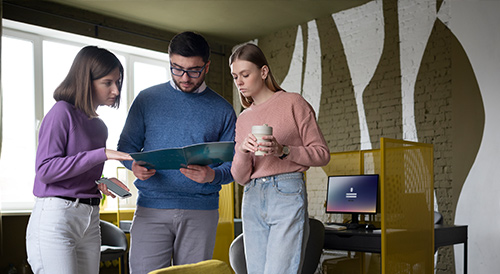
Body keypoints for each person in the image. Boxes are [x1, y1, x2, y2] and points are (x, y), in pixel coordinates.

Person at [117, 31, 236, 273]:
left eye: (194, 70)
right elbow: (126, 147)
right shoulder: (146, 99)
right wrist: (134, 166)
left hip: (201, 211)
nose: (184, 77)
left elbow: (235, 165)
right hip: (151, 207)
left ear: (207, 66)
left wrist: (212, 176)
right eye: (176, 68)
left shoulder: (223, 110)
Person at [26, 45, 133, 274]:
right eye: (108, 82)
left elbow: (78, 168)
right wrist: (102, 154)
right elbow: (45, 170)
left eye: (118, 82)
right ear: (87, 81)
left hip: (90, 219)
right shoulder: (61, 112)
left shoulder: (99, 126)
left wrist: (101, 181)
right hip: (57, 218)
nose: (116, 90)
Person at [229, 43, 330, 274]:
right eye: (235, 77)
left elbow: (322, 153)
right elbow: (240, 177)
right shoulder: (244, 118)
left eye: (245, 74)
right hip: (252, 195)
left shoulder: (294, 103)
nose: (239, 82)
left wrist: (283, 150)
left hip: (286, 191)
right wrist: (244, 151)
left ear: (263, 72)